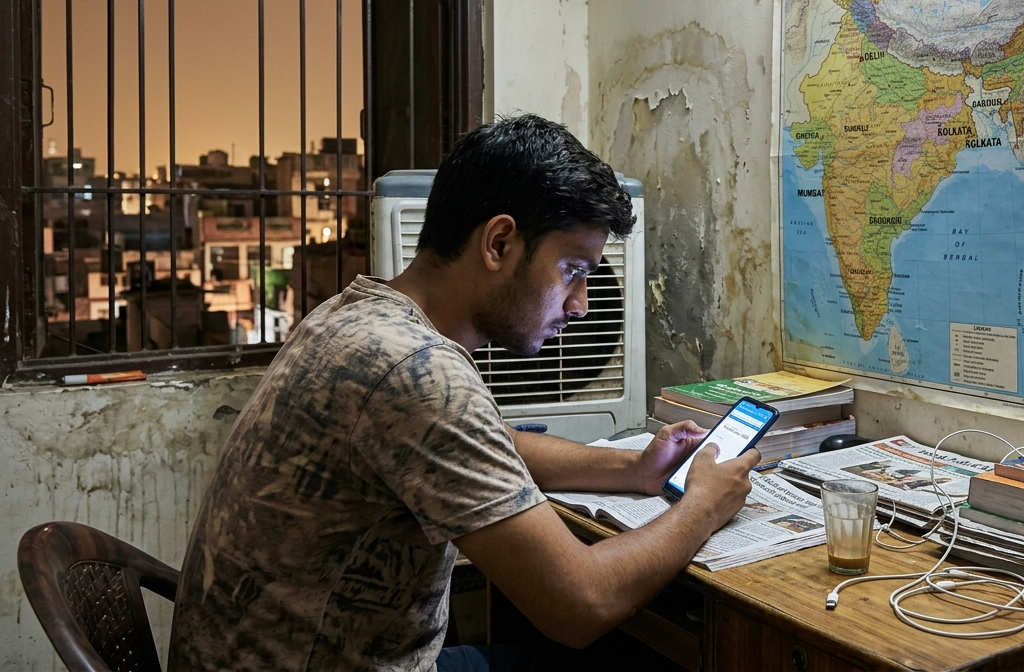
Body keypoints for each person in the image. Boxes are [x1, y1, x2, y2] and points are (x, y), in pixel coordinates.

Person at [169, 114, 757, 671]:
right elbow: (581, 603)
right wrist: (704, 504)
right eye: (574, 271)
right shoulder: (417, 371)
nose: (581, 305)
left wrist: (634, 469)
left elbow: (486, 445)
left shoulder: (357, 315)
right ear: (498, 243)